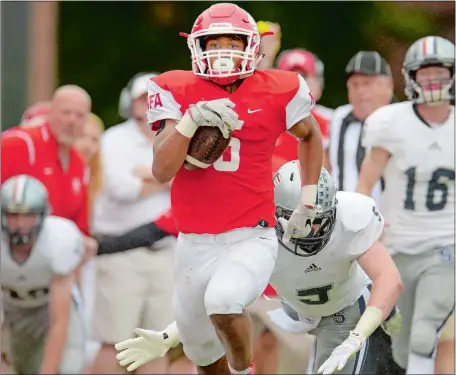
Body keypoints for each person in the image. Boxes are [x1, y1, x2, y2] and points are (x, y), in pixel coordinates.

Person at [146, 3, 323, 375]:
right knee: (200, 351)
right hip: (192, 240)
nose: (224, 50)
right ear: (198, 47)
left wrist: (309, 199)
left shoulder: (277, 89)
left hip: (250, 234)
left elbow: (311, 135)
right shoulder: (176, 89)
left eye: (234, 41)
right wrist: (189, 121)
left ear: (252, 48)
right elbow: (162, 170)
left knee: (224, 302)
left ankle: (245, 372)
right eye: (214, 42)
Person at [114, 162, 403, 375]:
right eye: (300, 218)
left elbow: (389, 279)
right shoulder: (260, 238)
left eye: (318, 218)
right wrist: (170, 335)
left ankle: (385, 327)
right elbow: (224, 302)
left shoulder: (350, 219)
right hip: (290, 309)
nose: (312, 228)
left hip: (346, 307)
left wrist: (358, 334)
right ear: (276, 212)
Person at [356, 36, 455, 374]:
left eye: (439, 72)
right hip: (398, 247)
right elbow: (366, 182)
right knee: (400, 341)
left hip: (446, 245)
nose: (433, 81)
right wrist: (366, 224)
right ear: (411, 77)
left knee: (427, 329)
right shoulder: (391, 123)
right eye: (424, 73)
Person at [90, 73, 175, 375]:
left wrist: (145, 173)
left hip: (166, 253)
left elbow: (188, 185)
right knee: (114, 343)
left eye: (154, 97)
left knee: (156, 343)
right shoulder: (114, 138)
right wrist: (166, 176)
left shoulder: (175, 140)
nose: (149, 104)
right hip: (121, 254)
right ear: (131, 103)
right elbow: (122, 188)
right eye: (143, 98)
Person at [0, 175, 86, 374]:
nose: (21, 224)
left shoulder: (58, 241)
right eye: (13, 215)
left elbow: (59, 321)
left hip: (50, 307)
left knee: (69, 368)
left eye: (28, 215)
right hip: (14, 310)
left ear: (42, 215)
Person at [1, 85, 97, 256]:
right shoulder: (21, 143)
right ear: (50, 112)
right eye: (66, 112)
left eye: (79, 115)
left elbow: (80, 227)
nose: (72, 120)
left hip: (51, 260)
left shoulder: (80, 165)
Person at [329, 51, 394, 205]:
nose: (360, 91)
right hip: (341, 218)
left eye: (367, 83)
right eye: (354, 85)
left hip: (388, 220)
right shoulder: (339, 118)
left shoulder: (400, 120)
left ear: (389, 85)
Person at [273, 49, 332, 172]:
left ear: (319, 84)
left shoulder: (334, 121)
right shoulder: (263, 118)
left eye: (304, 76)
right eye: (290, 76)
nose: (298, 83)